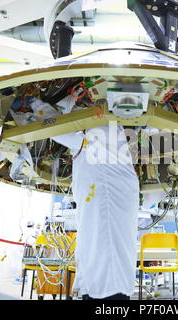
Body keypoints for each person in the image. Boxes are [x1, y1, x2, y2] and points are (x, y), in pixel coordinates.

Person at [52, 123, 139, 300]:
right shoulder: (106, 145)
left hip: (106, 282)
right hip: (110, 281)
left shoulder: (98, 141)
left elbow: (55, 129)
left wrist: (33, 110)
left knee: (102, 262)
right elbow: (60, 132)